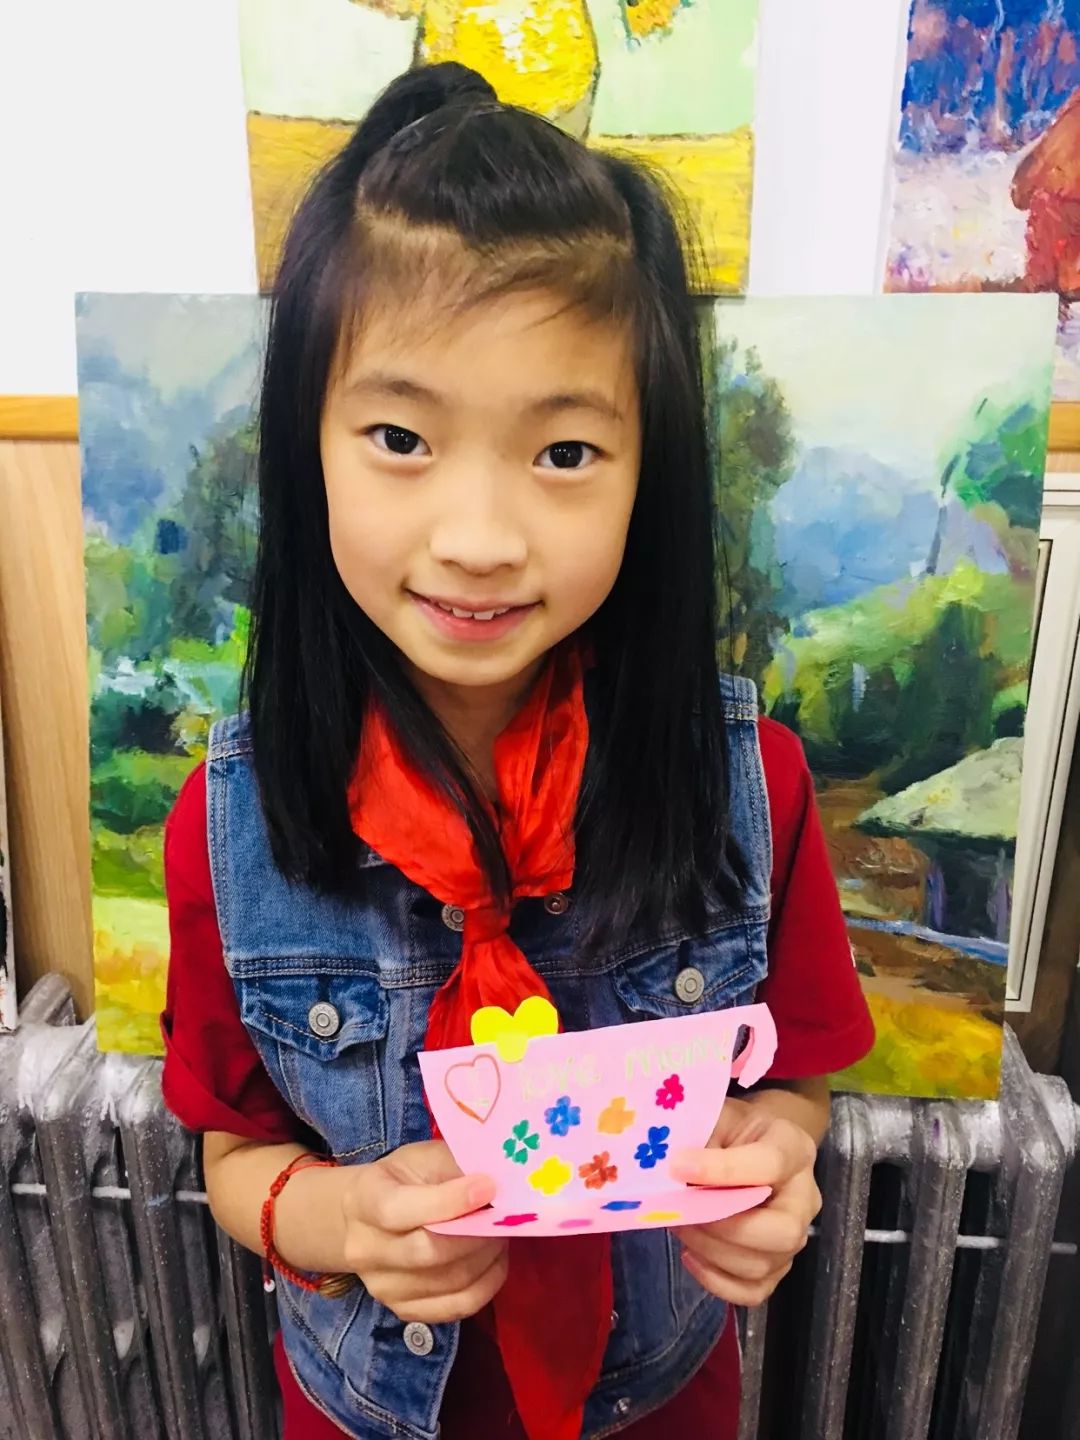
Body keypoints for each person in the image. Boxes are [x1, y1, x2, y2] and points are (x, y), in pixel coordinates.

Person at [161, 62, 874, 1440]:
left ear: (648, 469)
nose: (480, 538)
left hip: (659, 1401)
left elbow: (795, 1080)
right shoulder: (229, 822)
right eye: (400, 437)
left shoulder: (751, 787)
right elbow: (234, 1151)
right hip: (364, 1408)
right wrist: (341, 1218)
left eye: (564, 454)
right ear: (307, 448)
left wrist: (774, 1158)